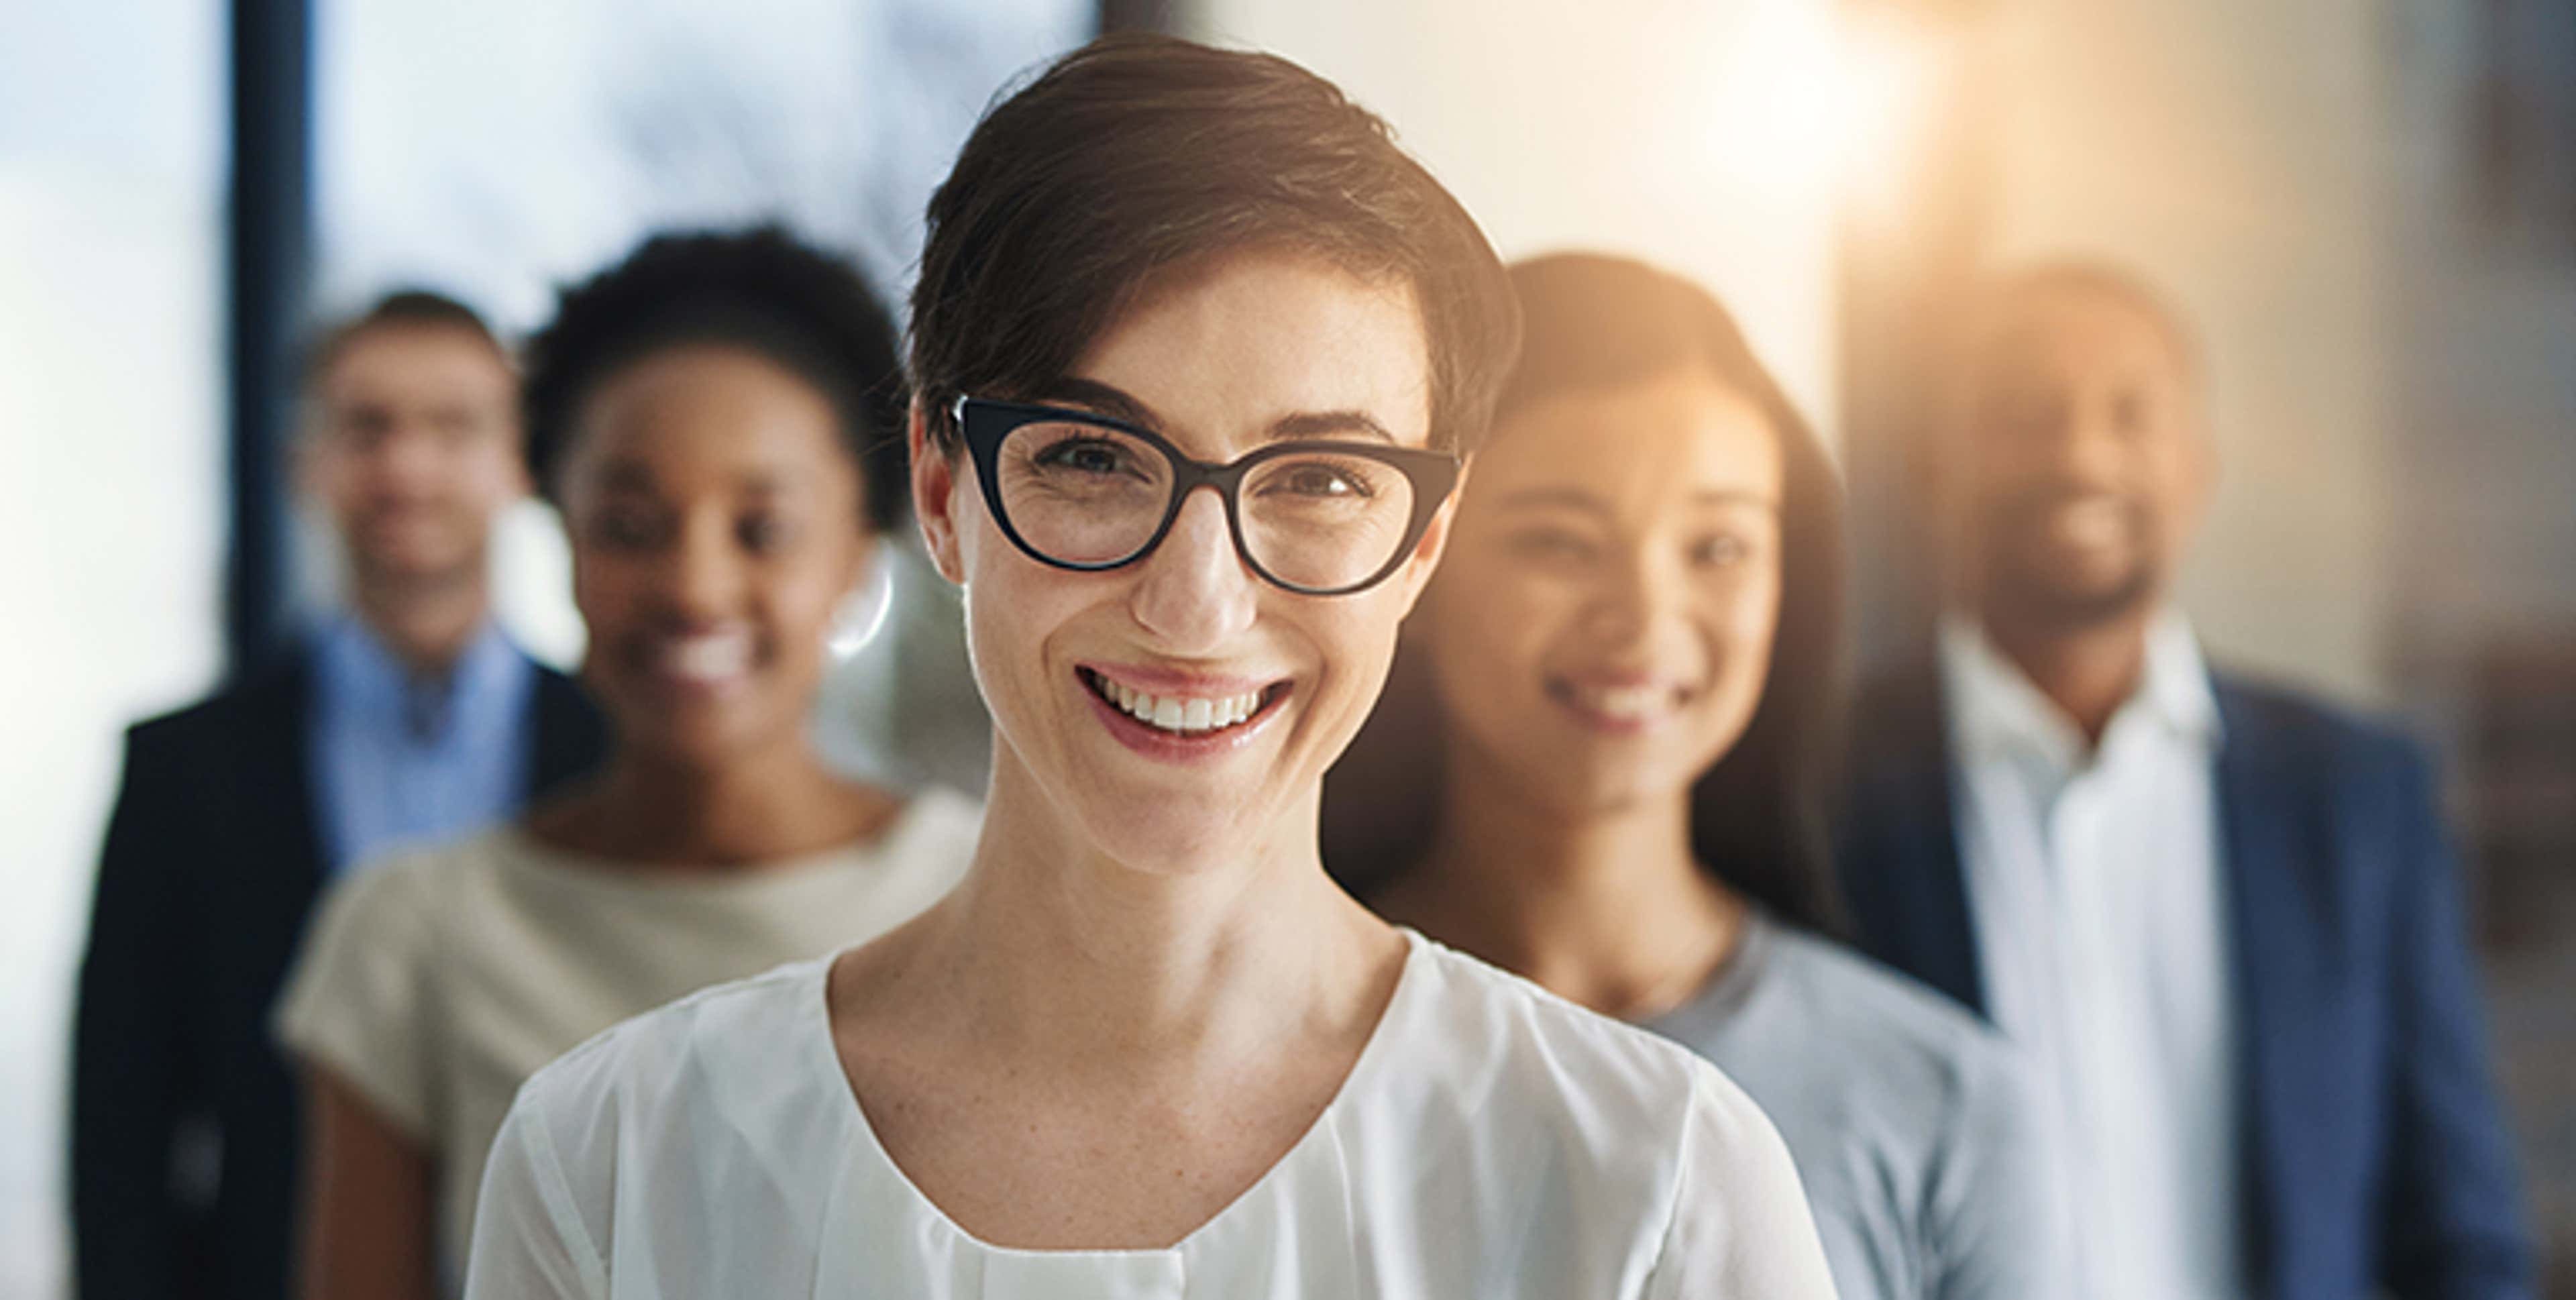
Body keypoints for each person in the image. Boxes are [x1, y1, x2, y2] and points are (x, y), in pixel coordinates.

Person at [465, 37, 1837, 1299]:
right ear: (943, 493)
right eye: (1091, 459)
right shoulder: (617, 1165)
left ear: (1425, 543)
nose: (1197, 604)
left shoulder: (1654, 1190)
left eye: (1316, 478)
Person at [1326, 252, 2060, 1300]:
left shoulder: (1945, 1102)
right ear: (1419, 567)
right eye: (1558, 542)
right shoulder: (1258, 1055)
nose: (1644, 620)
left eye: (1717, 546)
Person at [274, 227, 981, 1299]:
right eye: (630, 522)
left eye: (762, 527)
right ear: (558, 535)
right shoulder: (411, 936)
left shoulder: (987, 901)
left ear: (859, 549)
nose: (693, 585)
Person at [1836, 260, 2536, 1300]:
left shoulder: (2355, 794)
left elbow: (2459, 1224)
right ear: (1940, 467)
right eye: (2025, 414)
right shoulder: (1819, 784)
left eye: (2131, 413)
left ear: (2197, 467)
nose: (2081, 454)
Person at [69, 292, 604, 1300]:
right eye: (368, 428)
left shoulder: (619, 745)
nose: (405, 467)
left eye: (452, 427)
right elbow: (120, 1145)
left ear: (520, 462)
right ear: (304, 464)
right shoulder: (183, 770)